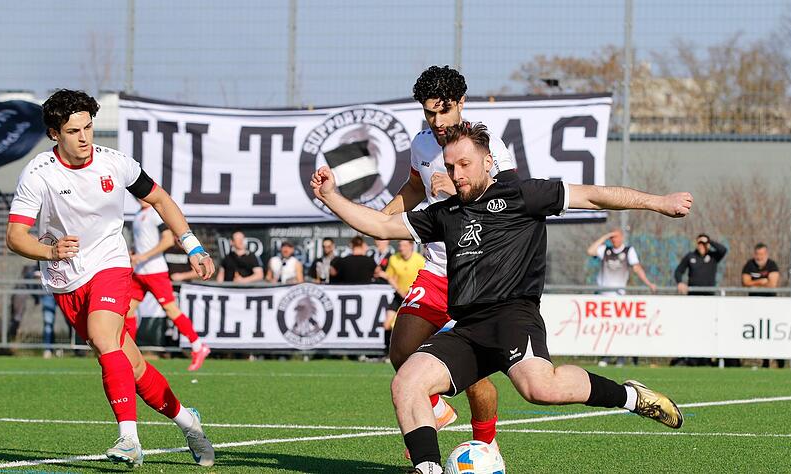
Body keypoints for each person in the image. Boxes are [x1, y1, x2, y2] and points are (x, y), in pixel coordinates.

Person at [311, 122, 690, 473]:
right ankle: (426, 468)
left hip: (513, 317)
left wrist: (659, 202)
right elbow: (380, 224)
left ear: (489, 162)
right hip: (468, 326)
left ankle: (629, 396)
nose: (457, 174)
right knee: (407, 381)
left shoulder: (525, 195)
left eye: (465, 164)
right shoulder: (446, 213)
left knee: (540, 389)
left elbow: (594, 196)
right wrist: (331, 196)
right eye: (450, 166)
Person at [5, 89, 215, 468]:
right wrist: (50, 251)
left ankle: (129, 439)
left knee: (104, 339)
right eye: (74, 130)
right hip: (67, 280)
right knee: (131, 366)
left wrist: (193, 245)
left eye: (88, 127)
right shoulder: (38, 174)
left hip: (111, 265)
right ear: (55, 133)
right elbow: (15, 237)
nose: (85, 137)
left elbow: (162, 200)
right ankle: (189, 423)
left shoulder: (116, 163)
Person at [378, 66, 516, 452]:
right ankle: (435, 411)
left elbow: (511, 202)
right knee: (402, 351)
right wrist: (380, 219)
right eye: (429, 113)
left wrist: (458, 192)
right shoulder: (422, 144)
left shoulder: (489, 146)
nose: (437, 121)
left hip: (480, 274)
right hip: (438, 270)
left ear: (462, 104)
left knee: (473, 376)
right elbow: (413, 186)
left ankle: (485, 448)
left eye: (444, 110)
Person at [125, 199, 211, 371]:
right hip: (140, 272)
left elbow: (167, 241)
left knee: (171, 310)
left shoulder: (154, 214)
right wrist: (135, 254)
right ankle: (129, 354)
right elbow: (142, 243)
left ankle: (198, 346)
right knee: (127, 311)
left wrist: (144, 256)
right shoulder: (137, 215)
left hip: (155, 271)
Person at [587, 229, 656, 367]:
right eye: (612, 238)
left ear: (622, 238)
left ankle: (621, 357)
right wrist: (605, 235)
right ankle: (605, 356)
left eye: (616, 237)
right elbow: (590, 251)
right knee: (605, 327)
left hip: (619, 297)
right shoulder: (605, 250)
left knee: (619, 327)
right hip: (604, 296)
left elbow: (637, 268)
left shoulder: (628, 251)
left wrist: (648, 283)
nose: (614, 240)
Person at [672, 233, 727, 366]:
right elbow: (678, 271)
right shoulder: (690, 256)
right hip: (693, 299)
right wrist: (680, 282)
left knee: (707, 329)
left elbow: (723, 250)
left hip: (708, 299)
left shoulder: (713, 256)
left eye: (704, 243)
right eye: (699, 243)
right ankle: (693, 358)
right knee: (694, 328)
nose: (701, 246)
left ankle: (706, 359)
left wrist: (709, 241)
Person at [376, 240, 426, 358]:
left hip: (415, 297)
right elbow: (390, 277)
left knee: (415, 326)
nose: (401, 248)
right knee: (387, 324)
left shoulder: (419, 260)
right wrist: (399, 290)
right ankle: (386, 353)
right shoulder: (394, 259)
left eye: (404, 245)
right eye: (399, 245)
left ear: (411, 246)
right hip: (399, 296)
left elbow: (425, 279)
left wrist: (412, 290)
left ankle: (417, 353)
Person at [742, 243, 782, 368]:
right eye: (758, 254)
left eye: (762, 254)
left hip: (769, 306)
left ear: (767, 254)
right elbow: (745, 282)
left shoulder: (772, 265)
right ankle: (759, 360)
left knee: (770, 333)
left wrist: (754, 283)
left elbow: (772, 284)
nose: (760, 257)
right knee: (755, 333)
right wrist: (762, 281)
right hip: (753, 306)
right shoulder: (749, 265)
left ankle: (776, 361)